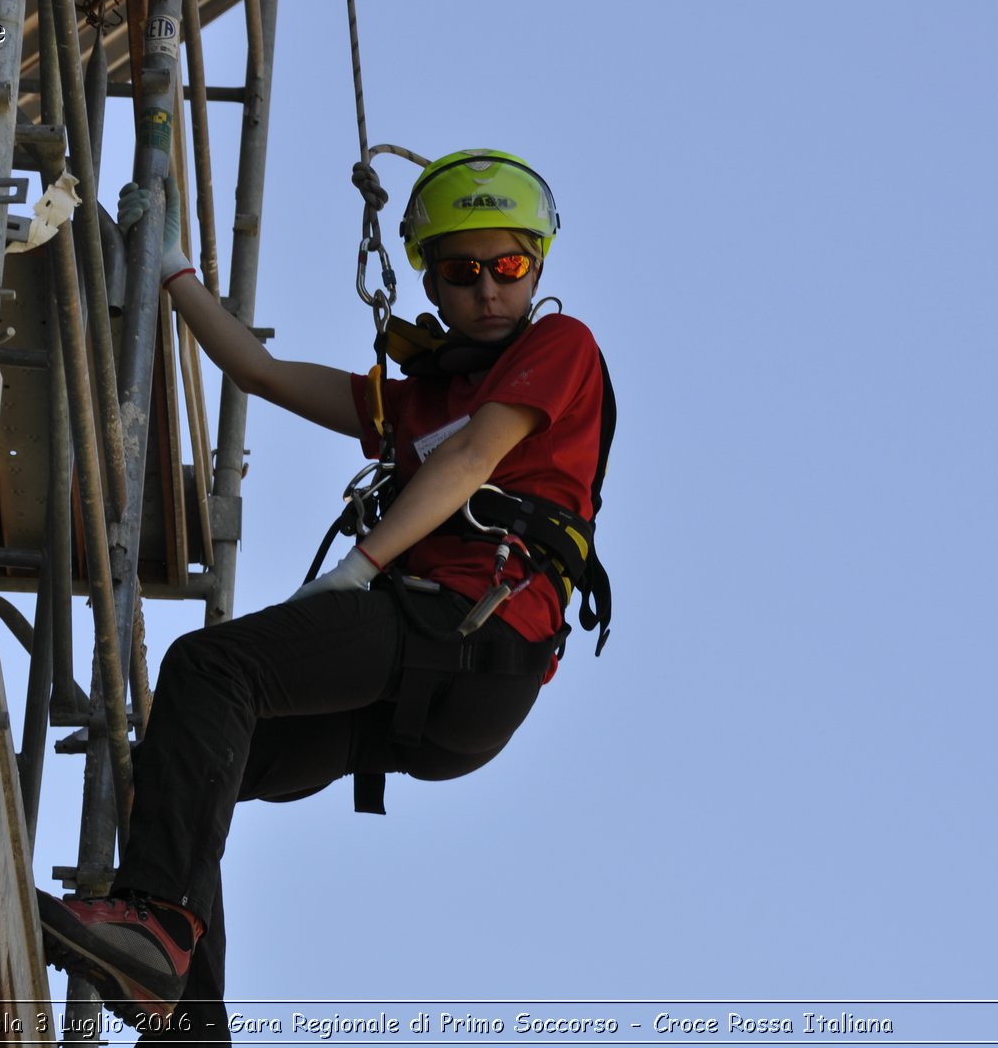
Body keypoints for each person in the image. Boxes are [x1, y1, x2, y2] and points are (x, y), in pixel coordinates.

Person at [37, 149, 610, 1042]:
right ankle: (190, 1024)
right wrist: (175, 269)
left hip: (473, 632)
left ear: (538, 264)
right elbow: (261, 375)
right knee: (191, 769)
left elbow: (471, 462)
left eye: (510, 266)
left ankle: (151, 928)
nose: (490, 291)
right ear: (430, 275)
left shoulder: (558, 348)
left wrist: (361, 568)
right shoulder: (424, 398)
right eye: (462, 272)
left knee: (211, 665)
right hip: (434, 678)